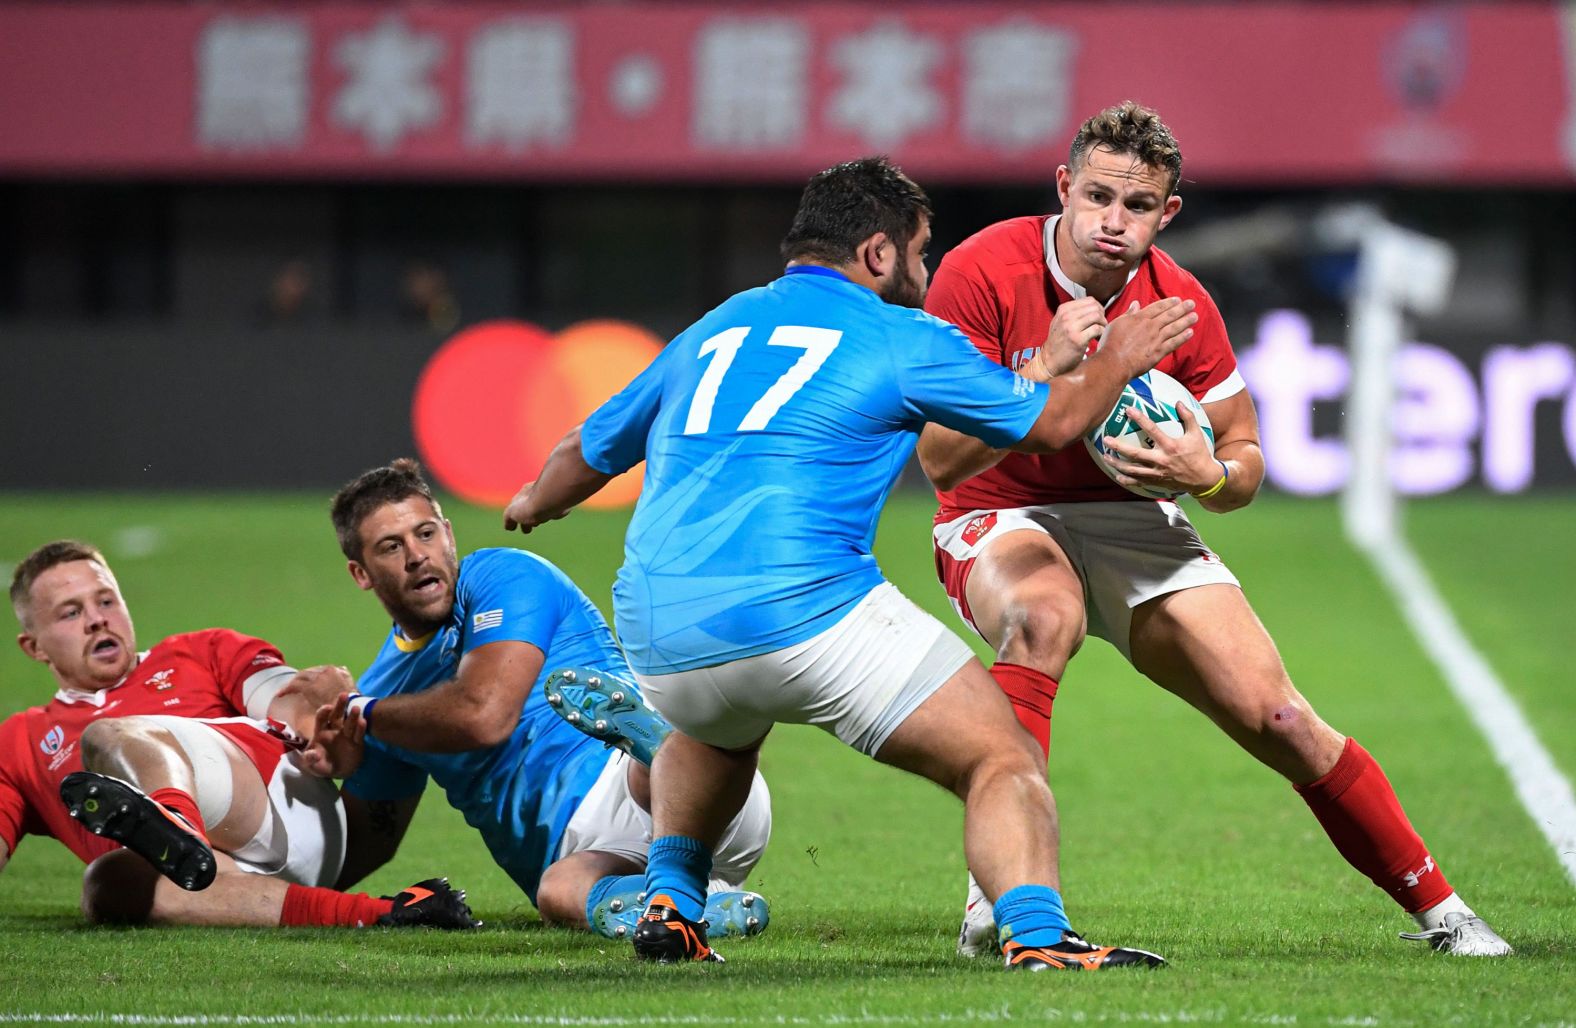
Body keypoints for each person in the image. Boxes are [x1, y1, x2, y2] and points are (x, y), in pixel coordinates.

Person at [502, 156, 1197, 968]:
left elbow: (583, 452)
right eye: (920, 251)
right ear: (877, 253)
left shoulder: (716, 326)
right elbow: (1046, 426)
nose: (926, 269)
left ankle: (672, 904)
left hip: (659, 630)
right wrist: (1119, 357)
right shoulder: (902, 335)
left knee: (715, 731)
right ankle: (1039, 939)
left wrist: (534, 504)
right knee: (1000, 755)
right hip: (804, 612)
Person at [916, 101, 1510, 958]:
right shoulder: (983, 268)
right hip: (998, 511)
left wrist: (1211, 477)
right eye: (1098, 197)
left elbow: (1244, 459)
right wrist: (1044, 364)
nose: (1114, 222)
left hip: (1131, 518)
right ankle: (1000, 902)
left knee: (1280, 716)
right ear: (1063, 189)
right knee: (1043, 618)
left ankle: (1444, 911)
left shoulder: (1179, 303)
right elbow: (940, 461)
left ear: (1169, 214)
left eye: (1139, 206)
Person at [288, 459, 772, 941]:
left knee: (656, 768)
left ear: (450, 534)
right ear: (361, 573)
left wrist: (362, 712)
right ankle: (687, 910)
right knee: (557, 892)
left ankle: (654, 743)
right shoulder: (381, 701)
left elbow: (485, 715)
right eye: (391, 547)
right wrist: (327, 772)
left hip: (663, 788)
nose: (417, 556)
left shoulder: (503, 576)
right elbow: (363, 844)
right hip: (605, 858)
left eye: (427, 534)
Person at [3, 540, 476, 930]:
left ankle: (174, 820)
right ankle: (394, 912)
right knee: (106, 883)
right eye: (70, 613)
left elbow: (288, 697)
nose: (97, 619)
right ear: (33, 645)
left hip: (289, 810)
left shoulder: (202, 652)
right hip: (216, 879)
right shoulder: (19, 743)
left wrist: (318, 728)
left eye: (106, 601)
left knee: (107, 737)